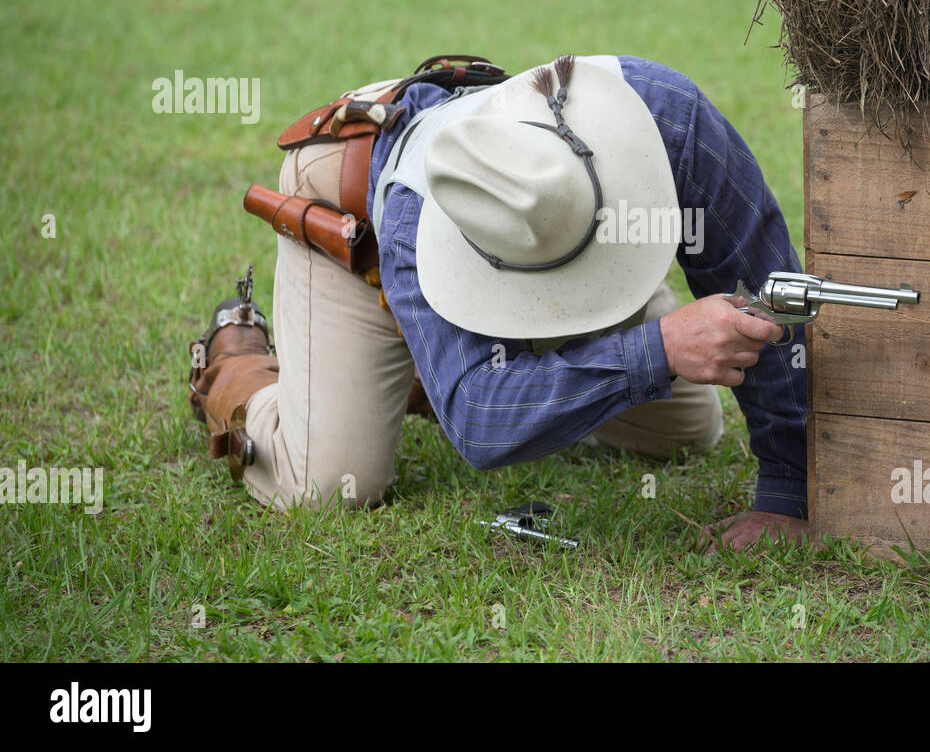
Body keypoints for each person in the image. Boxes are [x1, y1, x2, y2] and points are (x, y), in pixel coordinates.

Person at [187, 54, 810, 550]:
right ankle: (240, 359)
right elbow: (480, 423)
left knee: (683, 433)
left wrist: (785, 490)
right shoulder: (413, 225)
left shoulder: (668, 122)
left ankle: (426, 366)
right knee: (330, 483)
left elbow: (771, 289)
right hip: (355, 210)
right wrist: (663, 347)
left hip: (537, 229)